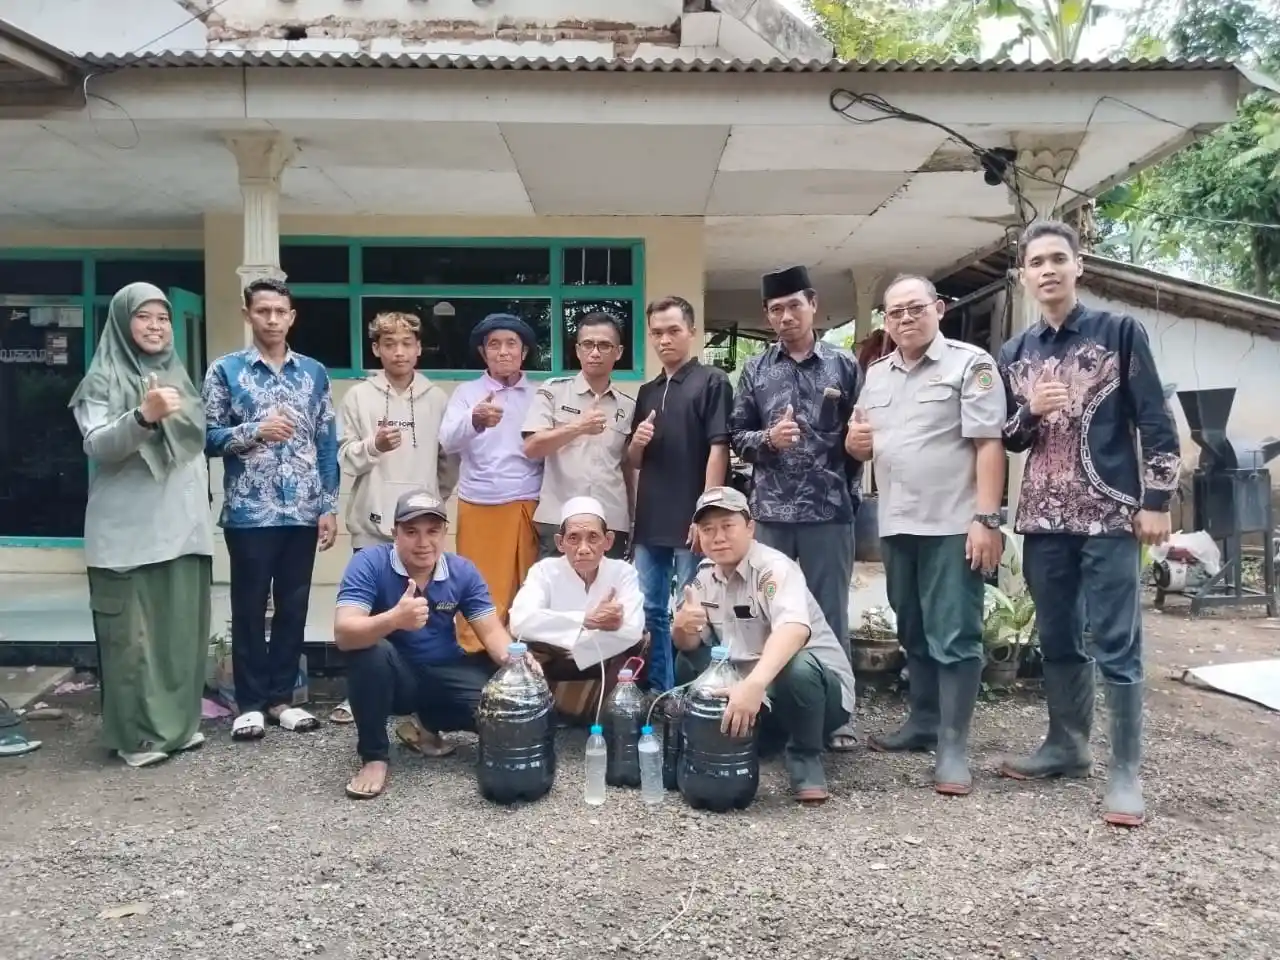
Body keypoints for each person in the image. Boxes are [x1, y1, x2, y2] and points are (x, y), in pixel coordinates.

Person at [997, 220, 1178, 828]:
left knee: (1117, 642)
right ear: (1023, 275)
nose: (1047, 270)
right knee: (1057, 637)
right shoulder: (1015, 352)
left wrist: (1156, 499)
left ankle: (1125, 771)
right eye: (1036, 262)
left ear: (1079, 267)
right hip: (1042, 519)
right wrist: (1030, 410)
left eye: (1058, 259)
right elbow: (1009, 437)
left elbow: (1155, 420)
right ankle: (1066, 746)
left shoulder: (1119, 333)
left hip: (1109, 513)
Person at [846, 274, 1007, 796]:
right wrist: (855, 442)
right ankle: (923, 721)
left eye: (915, 308)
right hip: (897, 523)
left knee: (954, 634)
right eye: (895, 313)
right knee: (912, 626)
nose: (905, 319)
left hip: (952, 524)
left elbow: (988, 445)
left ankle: (953, 747)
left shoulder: (969, 365)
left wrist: (986, 519)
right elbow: (861, 444)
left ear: (938, 309)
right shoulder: (877, 374)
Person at [70, 282, 214, 767]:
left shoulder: (178, 377)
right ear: (120, 322)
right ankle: (138, 739)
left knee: (179, 638)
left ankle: (176, 728)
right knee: (133, 642)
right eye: (143, 317)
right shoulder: (101, 380)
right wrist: (143, 417)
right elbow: (97, 445)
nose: (156, 327)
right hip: (129, 536)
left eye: (163, 318)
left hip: (183, 531)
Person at [730, 265, 861, 750]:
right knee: (766, 612)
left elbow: (861, 433)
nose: (785, 316)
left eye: (794, 306)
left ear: (813, 305)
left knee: (830, 613)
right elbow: (737, 436)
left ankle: (837, 714)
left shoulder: (844, 365)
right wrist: (769, 438)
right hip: (771, 513)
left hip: (829, 511)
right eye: (776, 309)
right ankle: (771, 707)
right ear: (767, 315)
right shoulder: (755, 370)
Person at [203, 278, 339, 741]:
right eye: (263, 311)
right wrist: (255, 431)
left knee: (293, 606)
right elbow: (206, 437)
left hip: (302, 510)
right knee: (248, 606)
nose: (273, 320)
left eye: (280, 312)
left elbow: (326, 442)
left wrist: (328, 505)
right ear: (248, 315)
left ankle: (283, 699)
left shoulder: (314, 373)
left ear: (292, 317)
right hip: (250, 512)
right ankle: (250, 703)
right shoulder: (226, 371)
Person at [334, 489, 530, 800]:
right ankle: (374, 757)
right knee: (370, 651)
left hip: (444, 670)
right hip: (394, 677)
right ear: (394, 533)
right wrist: (393, 619)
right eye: (411, 532)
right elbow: (344, 633)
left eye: (432, 531)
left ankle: (426, 724)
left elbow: (492, 632)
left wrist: (519, 664)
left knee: (501, 717)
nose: (423, 542)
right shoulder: (369, 563)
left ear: (444, 532)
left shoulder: (462, 571)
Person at [671, 487, 857, 804]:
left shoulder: (775, 568)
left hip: (820, 697)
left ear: (750, 527)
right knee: (688, 660)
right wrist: (682, 627)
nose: (718, 537)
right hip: (755, 694)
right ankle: (732, 738)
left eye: (727, 526)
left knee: (797, 666)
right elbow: (690, 645)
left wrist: (753, 684)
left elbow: (793, 630)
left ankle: (805, 756)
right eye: (708, 529)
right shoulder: (704, 578)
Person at [331, 309, 459, 752]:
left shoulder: (437, 398)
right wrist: (374, 446)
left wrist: (432, 503)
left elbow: (448, 462)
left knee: (420, 617)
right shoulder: (359, 397)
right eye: (389, 344)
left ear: (419, 349)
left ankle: (414, 708)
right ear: (376, 349)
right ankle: (361, 695)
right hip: (372, 523)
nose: (399, 352)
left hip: (419, 529)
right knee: (369, 614)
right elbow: (343, 457)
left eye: (407, 343)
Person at [628, 296, 732, 694]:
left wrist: (705, 516)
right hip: (651, 517)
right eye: (656, 333)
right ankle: (661, 689)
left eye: (673, 331)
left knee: (694, 609)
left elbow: (719, 448)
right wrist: (637, 442)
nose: (664, 340)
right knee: (651, 608)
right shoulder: (647, 391)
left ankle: (697, 692)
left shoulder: (712, 381)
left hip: (691, 515)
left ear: (692, 332)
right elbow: (634, 460)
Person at [440, 313, 543, 652]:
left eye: (511, 344)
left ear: (523, 352)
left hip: (528, 502)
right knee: (479, 588)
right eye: (494, 345)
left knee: (525, 589)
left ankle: (523, 660)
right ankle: (477, 657)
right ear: (483, 353)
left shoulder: (539, 394)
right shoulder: (467, 393)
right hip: (480, 503)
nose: (503, 351)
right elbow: (447, 441)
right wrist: (474, 419)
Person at [510, 496, 646, 704]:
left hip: (601, 665)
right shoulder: (544, 571)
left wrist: (570, 647)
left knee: (637, 647)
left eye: (593, 537)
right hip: (553, 666)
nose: (583, 548)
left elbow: (632, 630)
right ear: (560, 543)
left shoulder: (623, 572)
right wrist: (586, 620)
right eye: (573, 538)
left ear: (608, 541)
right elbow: (520, 622)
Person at [523, 312, 636, 561]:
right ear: (577, 350)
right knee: (556, 586)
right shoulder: (553, 392)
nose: (595, 352)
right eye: (588, 344)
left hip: (610, 521)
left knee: (609, 586)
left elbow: (628, 468)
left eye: (604, 345)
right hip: (560, 519)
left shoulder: (628, 406)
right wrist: (578, 427)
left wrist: (633, 519)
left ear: (618, 352)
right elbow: (532, 447)